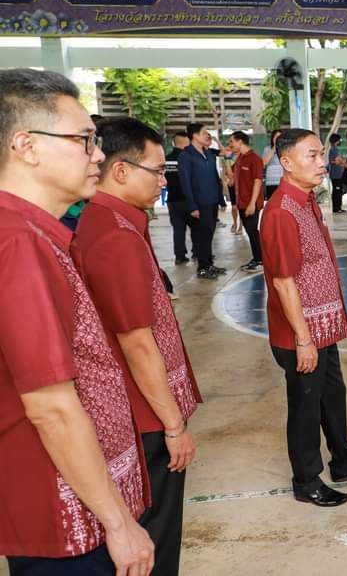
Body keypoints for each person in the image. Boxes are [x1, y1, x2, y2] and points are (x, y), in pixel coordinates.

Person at [0, 68, 154, 576]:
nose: (97, 156)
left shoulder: (34, 233)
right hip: (65, 516)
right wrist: (118, 523)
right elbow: (51, 407)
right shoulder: (18, 243)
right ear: (26, 146)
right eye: (84, 140)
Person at [72, 117, 202, 576]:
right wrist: (173, 425)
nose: (163, 181)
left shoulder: (110, 222)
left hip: (135, 408)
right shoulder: (114, 235)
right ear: (122, 170)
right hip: (143, 415)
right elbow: (137, 342)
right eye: (157, 170)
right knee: (157, 534)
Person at [259, 128, 347, 508]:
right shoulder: (282, 212)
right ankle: (306, 480)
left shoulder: (306, 201)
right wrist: (303, 340)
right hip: (301, 333)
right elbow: (283, 282)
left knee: (332, 395)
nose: (322, 163)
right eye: (312, 156)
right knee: (306, 407)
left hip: (323, 327)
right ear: (286, 163)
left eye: (322, 154)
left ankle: (344, 461)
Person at [179, 123, 226, 279]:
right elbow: (185, 182)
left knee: (210, 234)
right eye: (205, 132)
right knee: (202, 235)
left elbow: (215, 177)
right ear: (194, 135)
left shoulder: (209, 153)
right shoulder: (186, 155)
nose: (208, 135)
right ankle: (203, 268)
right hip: (199, 203)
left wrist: (221, 200)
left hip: (212, 200)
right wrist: (192, 205)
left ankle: (209, 264)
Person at [228, 131, 264, 271]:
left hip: (251, 203)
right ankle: (256, 258)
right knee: (250, 232)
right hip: (241, 202)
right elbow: (231, 175)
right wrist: (226, 158)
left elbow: (258, 181)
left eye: (232, 141)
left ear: (240, 141)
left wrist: (252, 204)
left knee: (253, 231)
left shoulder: (254, 159)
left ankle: (260, 261)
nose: (230, 144)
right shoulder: (240, 159)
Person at [165, 132, 196, 265]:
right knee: (195, 228)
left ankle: (180, 256)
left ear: (174, 143)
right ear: (186, 143)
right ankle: (197, 252)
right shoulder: (188, 158)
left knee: (178, 229)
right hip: (188, 200)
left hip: (172, 200)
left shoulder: (166, 159)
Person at [327, 133, 347, 214]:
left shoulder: (335, 149)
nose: (340, 141)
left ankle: (338, 207)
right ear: (336, 140)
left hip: (338, 174)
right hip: (336, 174)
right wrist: (341, 161)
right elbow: (334, 161)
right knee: (337, 191)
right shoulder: (333, 150)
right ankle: (336, 208)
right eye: (339, 140)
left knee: (338, 191)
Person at [262, 128, 284, 200]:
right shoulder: (267, 149)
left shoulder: (286, 149)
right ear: (272, 138)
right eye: (276, 137)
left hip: (283, 182)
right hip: (270, 182)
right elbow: (264, 163)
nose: (278, 139)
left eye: (280, 137)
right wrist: (274, 148)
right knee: (272, 202)